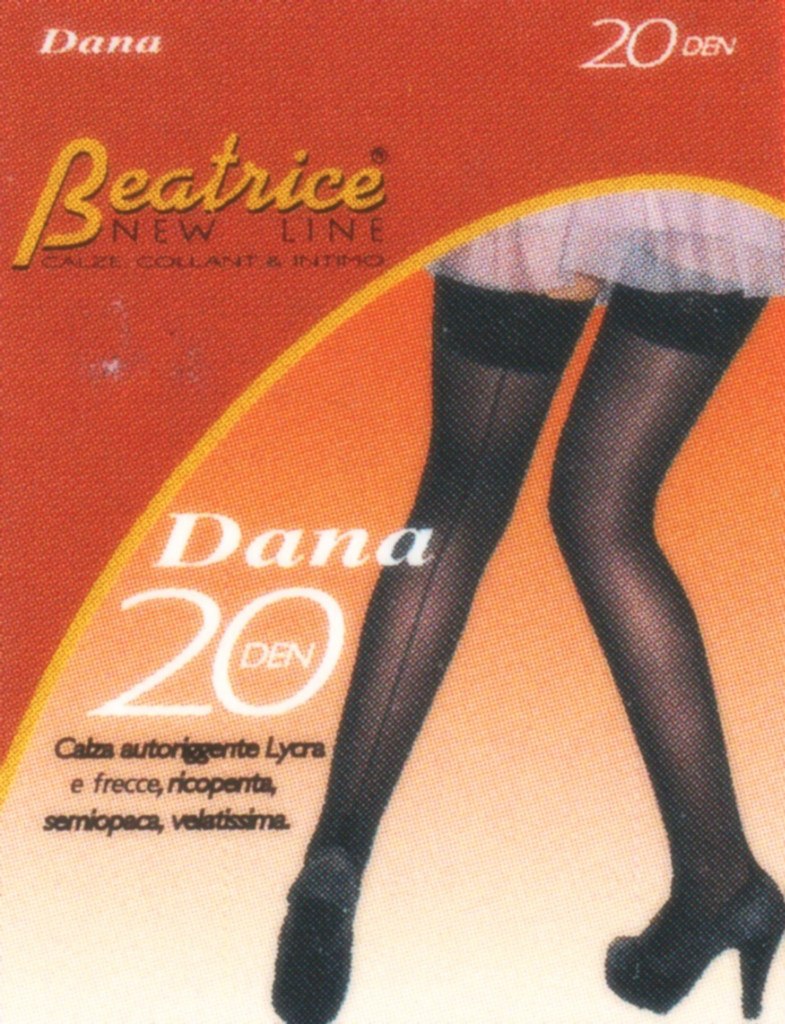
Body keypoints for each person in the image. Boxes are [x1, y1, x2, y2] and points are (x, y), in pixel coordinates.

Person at [273, 191, 785, 1024]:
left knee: (458, 502)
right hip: (701, 176)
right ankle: (720, 880)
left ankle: (333, 866)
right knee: (605, 512)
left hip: (560, 164)